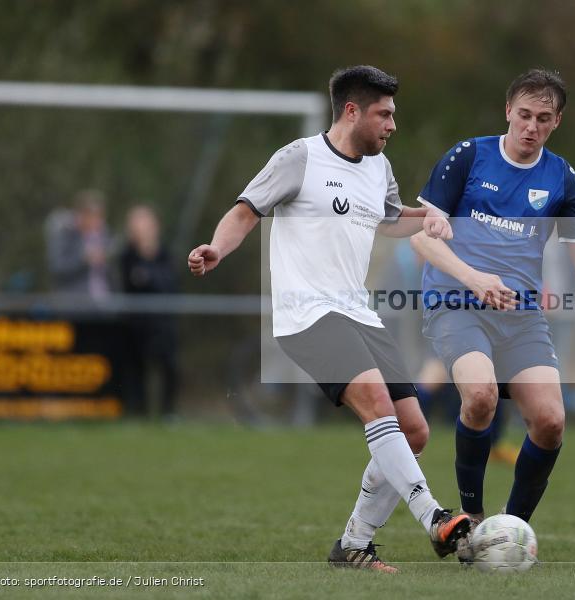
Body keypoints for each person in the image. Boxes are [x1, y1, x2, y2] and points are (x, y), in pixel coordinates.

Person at [187, 65, 469, 573]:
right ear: (352, 110)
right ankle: (434, 517)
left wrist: (428, 217)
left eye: (394, 115)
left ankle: (354, 545)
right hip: (306, 313)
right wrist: (217, 248)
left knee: (414, 430)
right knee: (379, 405)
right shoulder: (300, 157)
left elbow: (388, 220)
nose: (392, 125)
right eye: (384, 114)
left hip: (356, 311)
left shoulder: (378, 169)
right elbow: (245, 211)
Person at [410, 69, 575, 553]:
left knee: (552, 422)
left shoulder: (562, 177)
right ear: (507, 112)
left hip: (519, 315)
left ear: (556, 121)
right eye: (523, 115)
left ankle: (506, 533)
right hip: (455, 303)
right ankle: (471, 517)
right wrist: (473, 278)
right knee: (479, 396)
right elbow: (419, 234)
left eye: (542, 118)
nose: (530, 126)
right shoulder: (467, 156)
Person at [119, 204, 179, 418]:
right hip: (136, 323)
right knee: (136, 370)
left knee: (168, 367)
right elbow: (130, 282)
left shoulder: (165, 253)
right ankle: (137, 412)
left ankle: (168, 413)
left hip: (162, 323)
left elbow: (168, 284)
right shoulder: (127, 255)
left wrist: (148, 276)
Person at [45, 189, 112, 299]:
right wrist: (83, 259)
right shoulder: (65, 234)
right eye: (91, 215)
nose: (96, 221)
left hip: (104, 305)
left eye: (99, 215)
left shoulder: (105, 236)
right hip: (75, 304)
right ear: (80, 214)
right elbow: (57, 268)